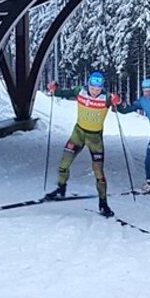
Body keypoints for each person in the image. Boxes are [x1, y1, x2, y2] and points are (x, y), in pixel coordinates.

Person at [44, 72, 120, 217]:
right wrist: (55, 89)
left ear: (102, 88)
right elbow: (63, 93)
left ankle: (103, 204)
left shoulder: (107, 98)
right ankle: (61, 189)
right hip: (78, 134)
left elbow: (121, 108)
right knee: (64, 164)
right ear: (89, 85)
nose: (95, 91)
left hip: (95, 138)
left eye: (98, 89)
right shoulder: (81, 91)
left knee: (99, 172)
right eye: (92, 87)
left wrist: (118, 101)